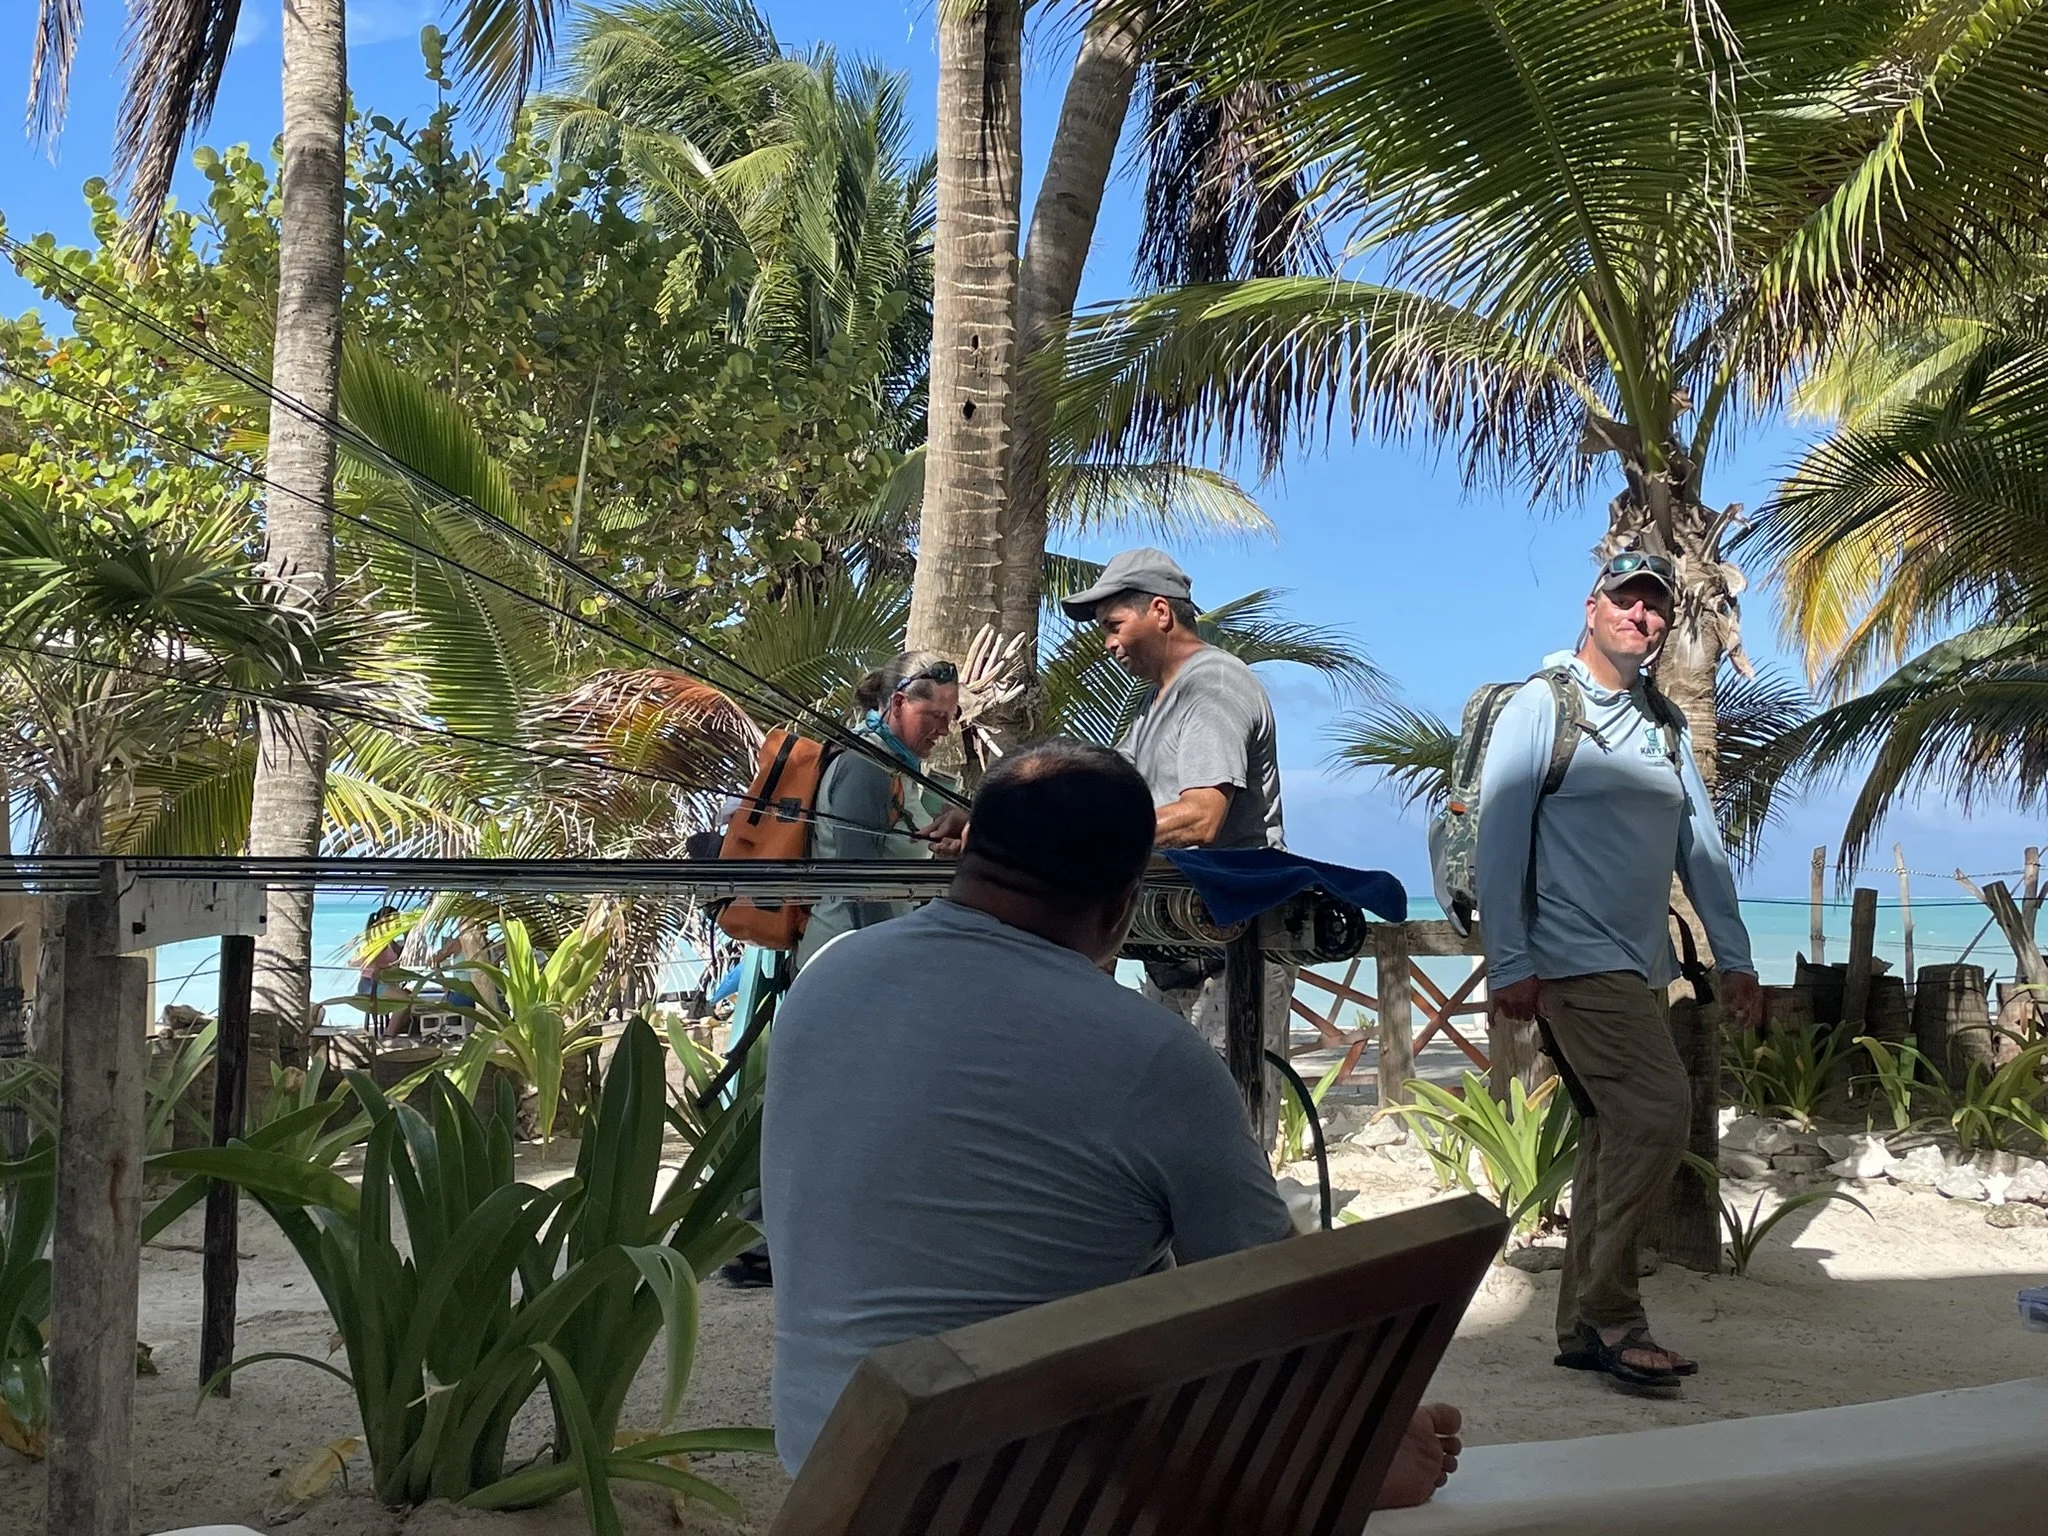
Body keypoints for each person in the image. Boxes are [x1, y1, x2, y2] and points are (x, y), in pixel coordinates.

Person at [760, 739, 1462, 1506]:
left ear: (969, 852)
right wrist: (1354, 1445)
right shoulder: (1150, 1056)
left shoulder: (828, 979)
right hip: (1021, 1489)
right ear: (1126, 902)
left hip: (829, 1459)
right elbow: (1272, 1307)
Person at [1476, 550, 1764, 1392]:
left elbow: (1700, 847)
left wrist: (1736, 956)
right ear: (1593, 604)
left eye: (1654, 609)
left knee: (1616, 1127)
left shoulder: (1665, 725)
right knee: (1661, 1107)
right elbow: (1500, 836)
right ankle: (1613, 1315)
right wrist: (1511, 960)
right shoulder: (1544, 706)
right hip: (1570, 957)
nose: (1641, 618)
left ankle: (1577, 1328)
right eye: (1625, 602)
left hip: (1638, 964)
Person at [1060, 547, 1292, 1141]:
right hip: (1176, 949)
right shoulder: (1152, 704)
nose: (1108, 645)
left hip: (1234, 956)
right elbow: (1113, 796)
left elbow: (1201, 817)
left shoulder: (1213, 685)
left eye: (1115, 626)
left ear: (1160, 612)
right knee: (1160, 1133)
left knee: (1224, 1134)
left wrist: (1080, 841)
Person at [793, 648, 969, 974]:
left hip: (874, 951)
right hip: (846, 961)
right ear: (899, 704)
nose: (944, 730)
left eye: (950, 716)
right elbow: (860, 885)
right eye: (935, 716)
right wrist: (889, 967)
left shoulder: (896, 765)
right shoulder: (865, 764)